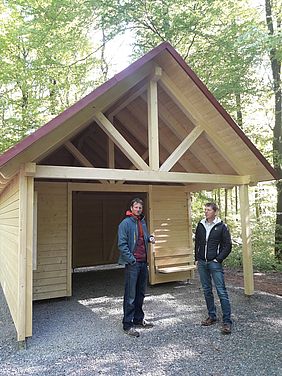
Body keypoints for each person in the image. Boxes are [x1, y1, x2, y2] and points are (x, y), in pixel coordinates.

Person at [118, 198, 155, 337]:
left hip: (143, 263)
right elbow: (122, 245)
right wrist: (132, 259)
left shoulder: (142, 221)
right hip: (133, 264)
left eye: (140, 207)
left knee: (140, 293)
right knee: (130, 295)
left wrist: (149, 238)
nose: (138, 209)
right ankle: (127, 324)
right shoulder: (125, 223)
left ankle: (138, 319)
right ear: (131, 208)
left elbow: (142, 238)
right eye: (136, 207)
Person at [195, 202, 232, 334]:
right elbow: (198, 243)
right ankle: (212, 316)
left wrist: (218, 259)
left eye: (209, 210)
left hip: (214, 263)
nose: (206, 212)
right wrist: (197, 258)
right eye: (205, 210)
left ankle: (227, 321)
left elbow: (227, 245)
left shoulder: (221, 226)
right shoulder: (201, 225)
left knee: (221, 291)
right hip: (202, 262)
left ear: (215, 212)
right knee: (206, 290)